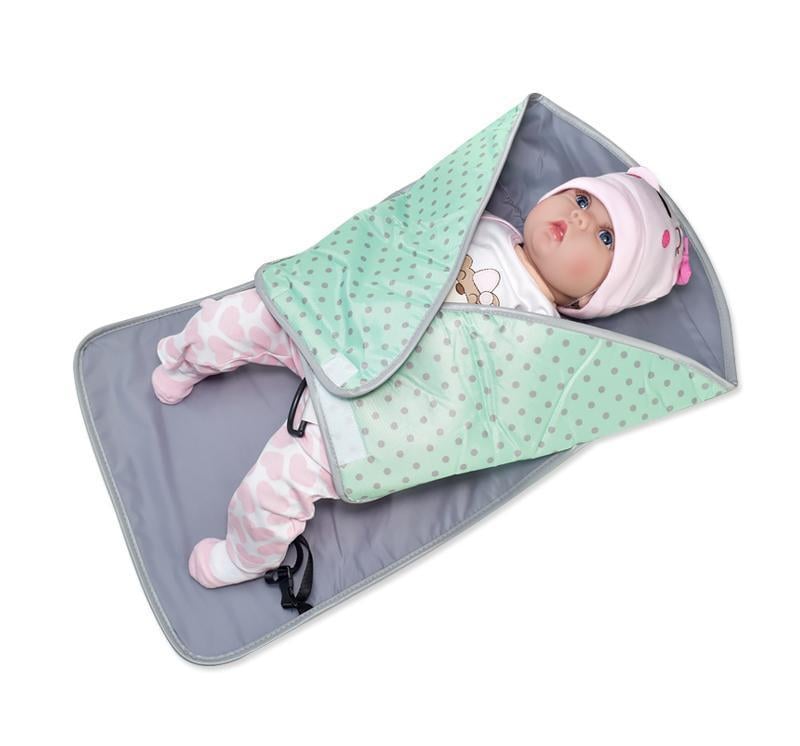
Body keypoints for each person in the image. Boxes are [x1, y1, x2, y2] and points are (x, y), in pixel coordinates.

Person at [151, 165, 692, 588]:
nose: (581, 219)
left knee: (277, 485)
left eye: (605, 239)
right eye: (583, 200)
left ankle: (247, 555)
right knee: (233, 319)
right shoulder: (485, 222)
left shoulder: (546, 337)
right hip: (343, 322)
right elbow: (402, 236)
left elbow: (483, 410)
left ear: (592, 298)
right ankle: (184, 358)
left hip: (382, 405)